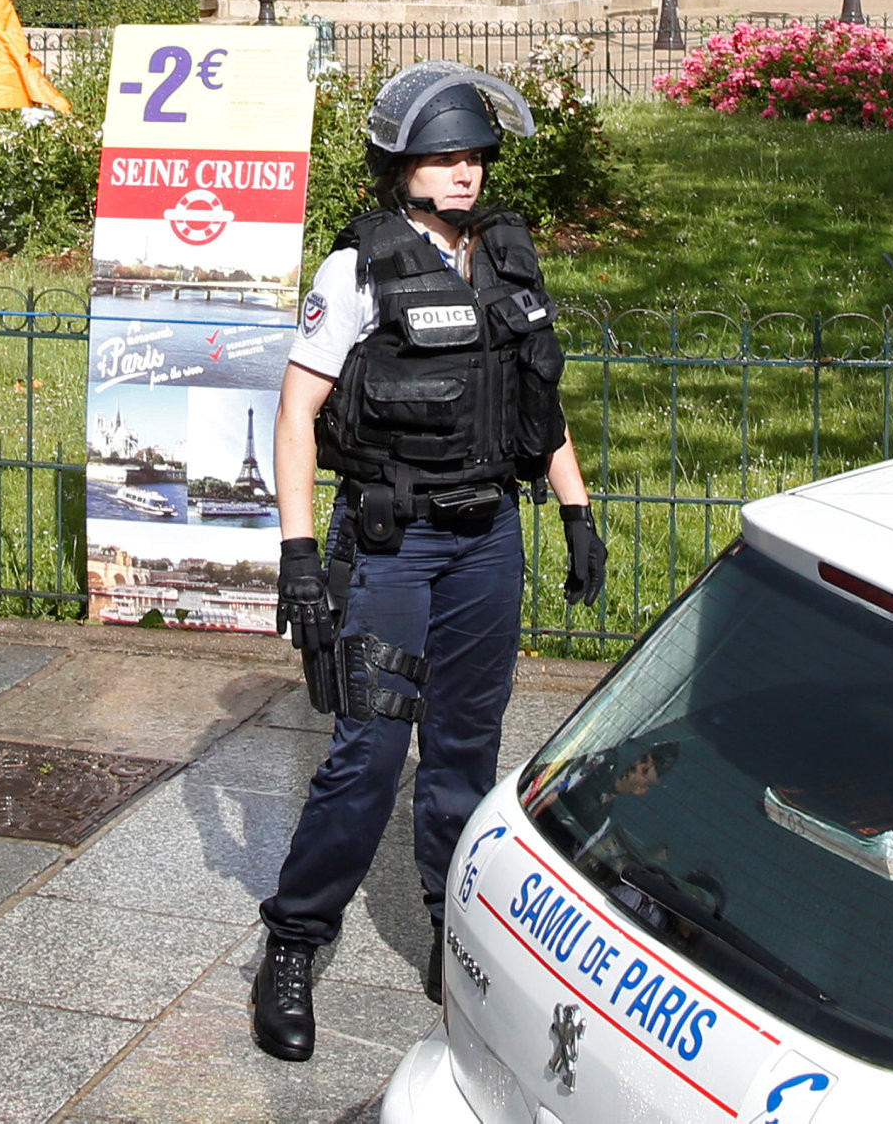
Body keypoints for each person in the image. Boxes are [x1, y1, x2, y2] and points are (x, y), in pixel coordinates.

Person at [249, 61, 608, 1061]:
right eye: (444, 158)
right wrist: (294, 554)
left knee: (463, 753)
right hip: (391, 544)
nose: (464, 175)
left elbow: (534, 399)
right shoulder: (354, 269)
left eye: (473, 158)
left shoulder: (505, 258)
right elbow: (294, 414)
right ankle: (292, 939)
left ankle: (452, 925)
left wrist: (573, 511)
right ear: (398, 165)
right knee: (366, 756)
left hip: (488, 536)